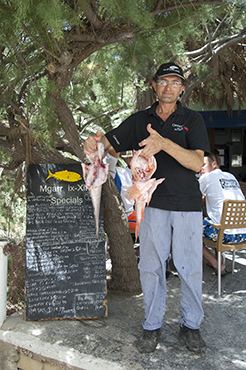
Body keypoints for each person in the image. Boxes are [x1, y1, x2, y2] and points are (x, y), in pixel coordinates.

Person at [83, 62, 210, 354]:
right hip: (151, 204)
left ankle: (191, 325)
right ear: (154, 85)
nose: (168, 87)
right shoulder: (140, 119)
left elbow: (196, 162)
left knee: (189, 268)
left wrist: (163, 143)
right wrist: (96, 141)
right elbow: (109, 143)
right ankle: (152, 324)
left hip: (188, 205)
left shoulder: (193, 120)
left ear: (181, 88)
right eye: (163, 81)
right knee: (151, 267)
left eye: (174, 82)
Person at [199, 153, 246, 274]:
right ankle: (218, 258)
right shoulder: (231, 176)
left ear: (214, 164)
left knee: (190, 230)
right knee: (216, 219)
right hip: (242, 234)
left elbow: (193, 197)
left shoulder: (206, 177)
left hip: (224, 235)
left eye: (203, 165)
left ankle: (217, 264)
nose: (200, 168)